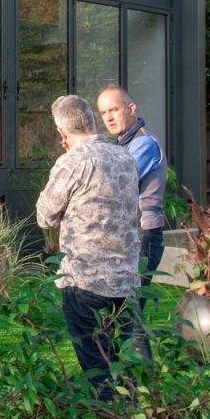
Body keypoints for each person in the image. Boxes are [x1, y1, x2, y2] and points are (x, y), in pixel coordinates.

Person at [36, 95, 141, 399]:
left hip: (86, 279)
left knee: (96, 366)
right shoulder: (125, 157)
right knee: (118, 360)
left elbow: (45, 216)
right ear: (93, 121)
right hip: (125, 279)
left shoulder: (72, 162)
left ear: (62, 133)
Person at [97, 84, 167, 305]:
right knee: (118, 312)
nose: (108, 118)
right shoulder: (121, 145)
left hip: (143, 237)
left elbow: (114, 185)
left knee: (131, 314)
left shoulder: (143, 143)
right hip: (127, 236)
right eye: (103, 112)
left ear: (131, 108)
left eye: (114, 110)